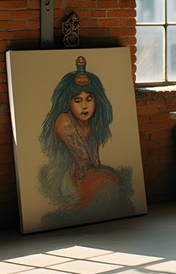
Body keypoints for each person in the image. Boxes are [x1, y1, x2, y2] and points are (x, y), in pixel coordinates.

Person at [38, 56, 135, 226]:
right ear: (68, 102)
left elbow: (95, 163)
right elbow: (83, 165)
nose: (84, 106)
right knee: (109, 185)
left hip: (88, 174)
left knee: (115, 182)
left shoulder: (92, 124)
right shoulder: (64, 121)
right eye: (78, 100)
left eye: (89, 99)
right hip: (67, 179)